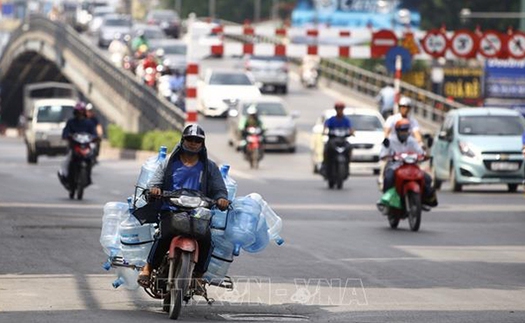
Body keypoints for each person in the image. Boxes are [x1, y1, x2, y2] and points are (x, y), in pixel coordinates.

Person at [137, 124, 230, 287]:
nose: (193, 143)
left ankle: (199, 276)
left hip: (199, 214)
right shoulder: (169, 163)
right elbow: (155, 182)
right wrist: (155, 189)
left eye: (197, 140)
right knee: (163, 236)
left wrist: (221, 199)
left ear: (202, 144)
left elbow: (219, 190)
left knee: (207, 241)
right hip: (171, 210)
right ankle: (148, 267)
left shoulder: (210, 167)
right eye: (190, 139)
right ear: (182, 140)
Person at [380, 119, 437, 207]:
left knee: (427, 178)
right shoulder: (390, 141)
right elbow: (383, 154)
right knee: (389, 178)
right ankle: (387, 200)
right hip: (395, 166)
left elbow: (420, 152)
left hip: (411, 167)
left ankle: (425, 199)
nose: (404, 133)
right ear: (397, 131)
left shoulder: (412, 141)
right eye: (402, 131)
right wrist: (388, 156)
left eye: (406, 130)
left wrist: (425, 155)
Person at [59, 102, 98, 189]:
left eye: (81, 112)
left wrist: (95, 138)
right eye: (78, 112)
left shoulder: (89, 123)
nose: (80, 114)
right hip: (74, 147)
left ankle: (87, 178)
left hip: (84, 147)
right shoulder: (71, 122)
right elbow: (65, 133)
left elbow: (94, 134)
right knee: (67, 161)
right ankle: (65, 177)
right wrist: (67, 136)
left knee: (90, 158)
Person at [322, 101, 354, 172]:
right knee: (326, 148)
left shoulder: (346, 120)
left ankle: (347, 163)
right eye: (338, 108)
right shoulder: (332, 119)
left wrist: (352, 132)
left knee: (349, 147)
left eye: (341, 109)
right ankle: (324, 164)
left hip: (342, 140)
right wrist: (324, 131)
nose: (340, 110)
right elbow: (326, 125)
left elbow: (351, 128)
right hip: (333, 140)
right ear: (336, 110)